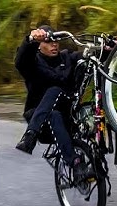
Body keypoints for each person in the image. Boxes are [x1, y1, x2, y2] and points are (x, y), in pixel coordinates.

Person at [14, 25, 91, 179]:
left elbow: (87, 56)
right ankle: (75, 163)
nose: (54, 44)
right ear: (40, 45)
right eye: (48, 42)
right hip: (42, 123)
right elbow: (20, 60)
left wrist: (112, 48)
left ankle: (96, 154)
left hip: (69, 115)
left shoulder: (67, 57)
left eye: (56, 41)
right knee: (54, 102)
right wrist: (31, 40)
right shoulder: (32, 63)